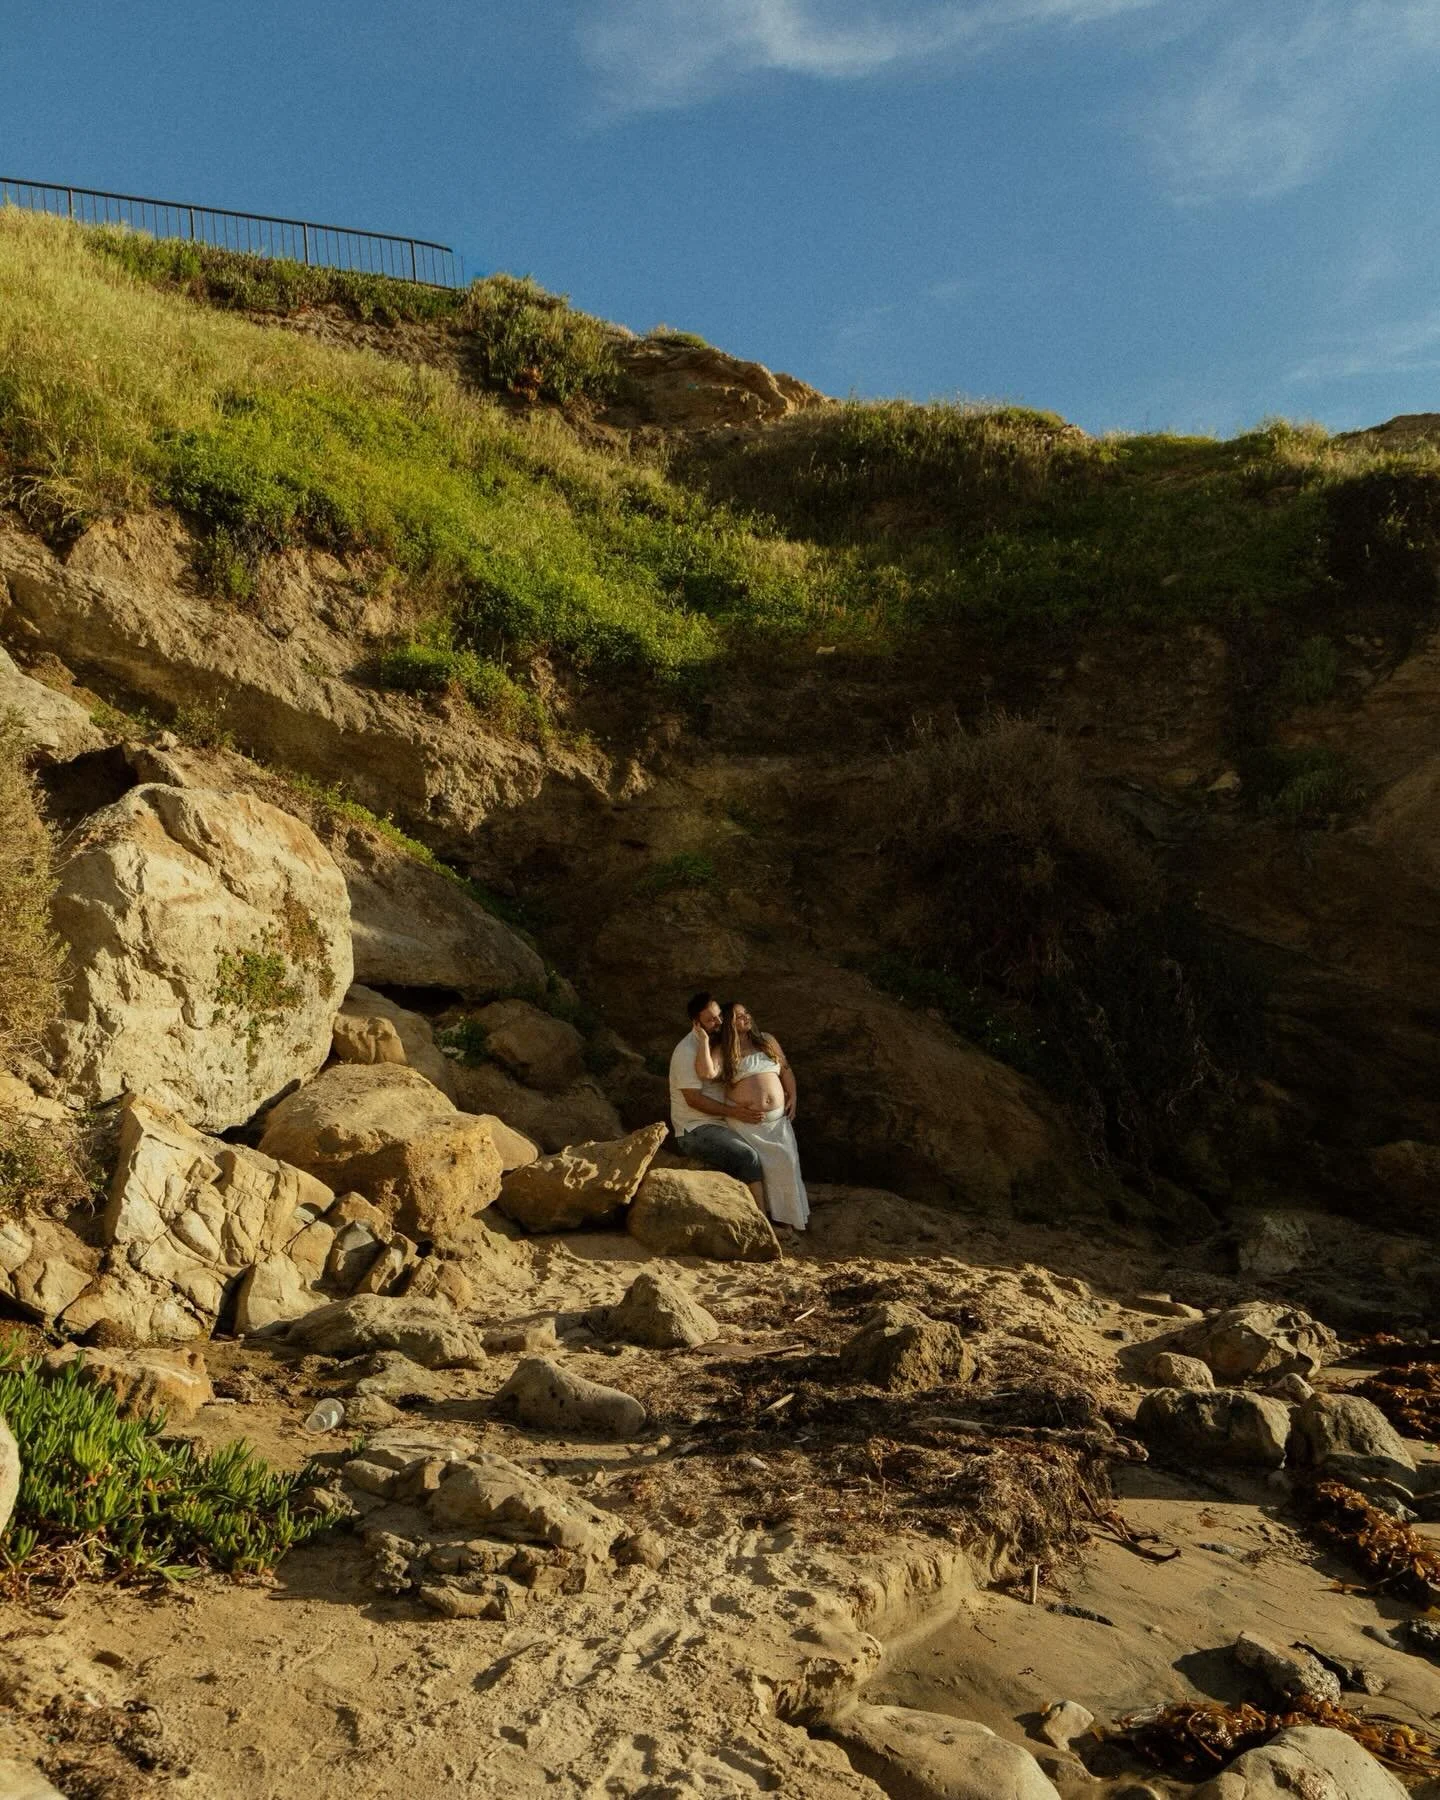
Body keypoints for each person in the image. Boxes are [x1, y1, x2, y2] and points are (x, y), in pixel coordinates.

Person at [695, 1000, 808, 1231]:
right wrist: (704, 1041)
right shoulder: (724, 1051)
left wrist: (793, 1095)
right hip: (746, 1123)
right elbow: (706, 1072)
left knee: (786, 1163)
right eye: (738, 1016)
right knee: (761, 1170)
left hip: (776, 1122)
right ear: (728, 1023)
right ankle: (768, 1220)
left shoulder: (766, 1040)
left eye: (747, 1013)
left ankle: (788, 1220)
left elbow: (785, 1070)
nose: (746, 1017)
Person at [669, 992, 766, 1209]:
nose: (719, 1022)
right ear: (696, 1023)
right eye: (711, 1020)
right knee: (747, 1156)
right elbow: (693, 1099)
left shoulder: (719, 1044)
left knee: (769, 1151)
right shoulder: (686, 1051)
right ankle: (762, 1221)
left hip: (723, 1122)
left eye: (719, 1015)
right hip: (695, 1129)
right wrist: (735, 1112)